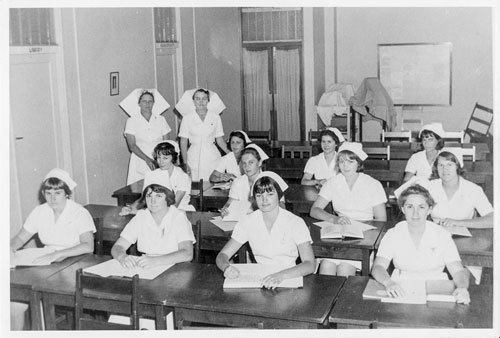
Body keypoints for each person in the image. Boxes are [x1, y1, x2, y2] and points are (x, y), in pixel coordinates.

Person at [10, 168, 96, 330]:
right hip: (47, 261)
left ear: (67, 193)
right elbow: (20, 238)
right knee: (14, 302)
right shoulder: (40, 211)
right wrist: (9, 249)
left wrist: (59, 253)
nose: (52, 198)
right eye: (48, 193)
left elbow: (88, 245)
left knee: (41, 292)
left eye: (57, 193)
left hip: (75, 261)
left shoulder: (78, 212)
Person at [371, 184, 470, 304]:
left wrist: (462, 288)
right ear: (403, 209)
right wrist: (389, 283)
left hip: (436, 286)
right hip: (402, 285)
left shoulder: (441, 234)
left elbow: (458, 271)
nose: (415, 213)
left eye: (421, 207)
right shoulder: (393, 234)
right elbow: (378, 267)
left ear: (430, 209)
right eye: (409, 207)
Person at [216, 172, 315, 289]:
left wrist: (280, 276)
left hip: (289, 278)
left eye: (270, 194)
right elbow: (222, 255)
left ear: (279, 196)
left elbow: (310, 264)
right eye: (259, 196)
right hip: (261, 278)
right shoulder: (248, 221)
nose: (264, 200)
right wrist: (227, 267)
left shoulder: (295, 222)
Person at [111, 174, 195, 269]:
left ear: (167, 198)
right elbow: (118, 246)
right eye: (149, 196)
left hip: (176, 267)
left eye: (158, 196)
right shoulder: (141, 217)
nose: (152, 201)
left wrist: (156, 261)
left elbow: (187, 253)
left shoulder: (178, 217)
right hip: (147, 266)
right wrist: (122, 257)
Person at [310, 142, 387, 223]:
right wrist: (334, 219)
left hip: (367, 228)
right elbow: (314, 210)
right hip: (341, 227)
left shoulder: (372, 185)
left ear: (358, 163)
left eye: (350, 162)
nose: (345, 166)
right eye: (342, 161)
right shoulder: (333, 182)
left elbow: (381, 219)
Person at [120, 140, 195, 214]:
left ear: (173, 158)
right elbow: (143, 199)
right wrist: (130, 208)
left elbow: (174, 206)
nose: (161, 162)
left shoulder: (182, 177)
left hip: (179, 212)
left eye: (165, 158)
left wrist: (140, 212)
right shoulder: (153, 175)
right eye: (159, 157)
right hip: (157, 212)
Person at [428, 148, 493, 228]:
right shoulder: (430, 187)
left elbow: (492, 219)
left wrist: (458, 223)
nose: (445, 169)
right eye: (441, 165)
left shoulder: (472, 189)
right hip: (436, 235)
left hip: (465, 236)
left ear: (458, 167)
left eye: (449, 164)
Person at [177, 88, 230, 181]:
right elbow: (183, 142)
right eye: (197, 99)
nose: (201, 102)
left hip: (212, 155)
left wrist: (231, 154)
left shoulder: (215, 117)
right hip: (193, 156)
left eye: (204, 99)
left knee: (213, 184)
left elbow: (220, 139)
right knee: (195, 186)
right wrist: (185, 163)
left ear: (208, 100)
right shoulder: (187, 118)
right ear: (193, 101)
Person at [121, 89, 171, 185]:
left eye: (150, 101)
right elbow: (132, 145)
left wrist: (161, 160)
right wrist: (147, 159)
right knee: (139, 192)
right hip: (139, 160)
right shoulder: (132, 121)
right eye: (144, 101)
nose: (147, 104)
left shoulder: (161, 119)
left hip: (158, 160)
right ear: (139, 103)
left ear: (153, 103)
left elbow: (167, 143)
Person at [219, 144, 269, 217]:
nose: (247, 167)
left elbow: (281, 206)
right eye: (244, 163)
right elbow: (230, 203)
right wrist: (226, 209)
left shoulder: (270, 180)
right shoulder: (238, 182)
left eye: (251, 162)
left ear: (259, 162)